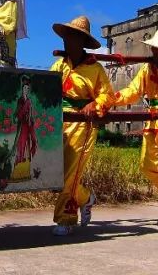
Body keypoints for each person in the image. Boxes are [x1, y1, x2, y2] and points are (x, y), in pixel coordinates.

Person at [108, 29, 158, 226]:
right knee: (147, 164)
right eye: (154, 47)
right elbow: (133, 91)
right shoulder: (146, 69)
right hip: (151, 120)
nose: (155, 51)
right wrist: (112, 99)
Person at [50, 16, 112, 235]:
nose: (68, 42)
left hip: (82, 125)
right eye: (66, 37)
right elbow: (47, 91)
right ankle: (86, 198)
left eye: (73, 37)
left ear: (82, 41)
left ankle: (65, 219)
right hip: (56, 122)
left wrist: (94, 105)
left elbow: (107, 96)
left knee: (70, 173)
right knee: (54, 174)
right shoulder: (58, 65)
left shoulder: (95, 69)